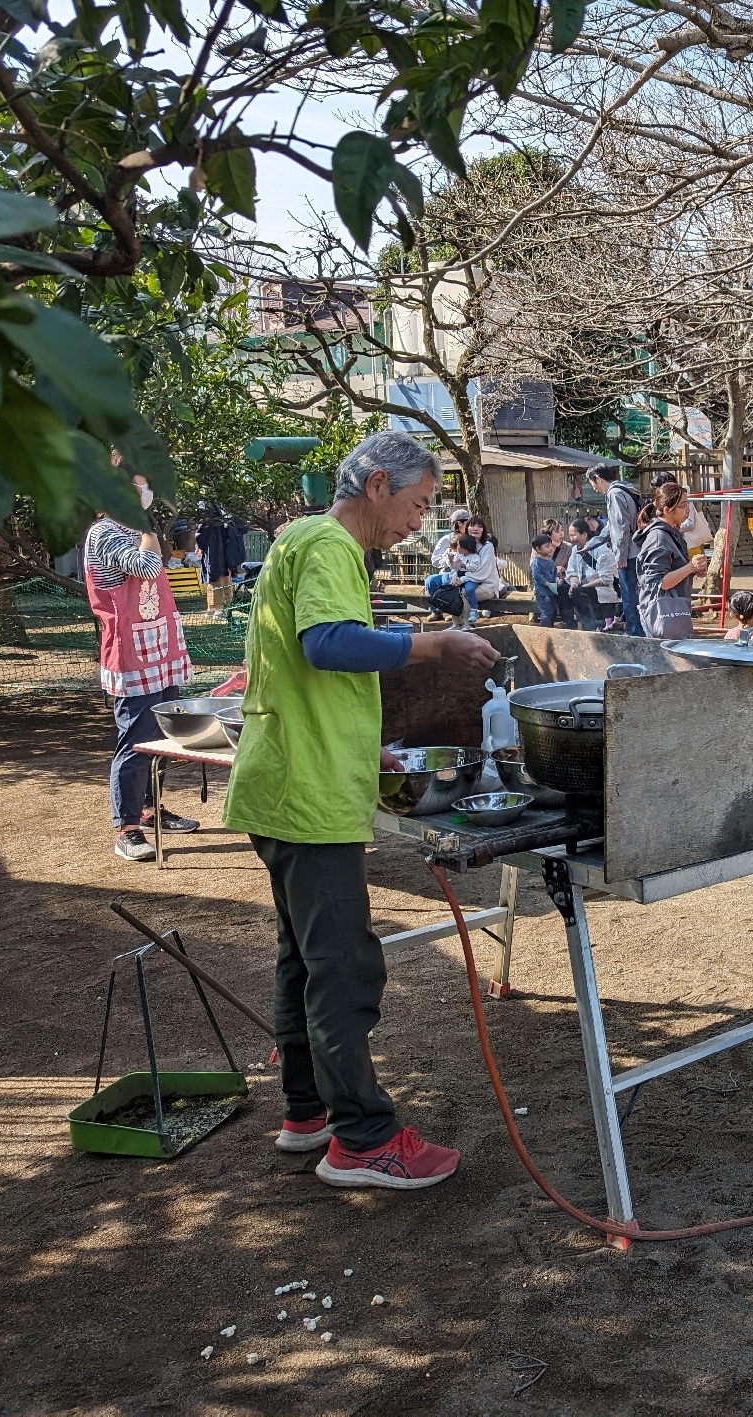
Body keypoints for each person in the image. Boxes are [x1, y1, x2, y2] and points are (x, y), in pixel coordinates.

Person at [225, 431, 500, 1188]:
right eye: (416, 505)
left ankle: (306, 1110)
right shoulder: (328, 544)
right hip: (304, 796)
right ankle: (364, 1139)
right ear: (378, 484)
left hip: (293, 779)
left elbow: (311, 675)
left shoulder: (305, 541)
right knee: (343, 964)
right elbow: (328, 644)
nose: (419, 523)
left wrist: (363, 746)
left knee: (303, 957)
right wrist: (432, 643)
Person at [83, 470, 201, 862]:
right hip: (132, 654)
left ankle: (151, 810)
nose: (145, 490)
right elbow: (149, 566)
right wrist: (147, 529)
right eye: (137, 485)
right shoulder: (105, 533)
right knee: (135, 740)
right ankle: (127, 827)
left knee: (164, 737)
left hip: (159, 650)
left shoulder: (128, 528)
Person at [633, 481, 708, 638]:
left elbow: (674, 569)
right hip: (661, 612)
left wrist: (693, 570)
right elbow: (661, 583)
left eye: (688, 504)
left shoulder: (671, 533)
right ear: (667, 510)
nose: (688, 510)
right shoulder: (658, 538)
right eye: (682, 506)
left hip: (673, 609)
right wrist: (690, 568)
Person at [589, 463, 647, 636]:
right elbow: (612, 526)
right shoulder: (627, 489)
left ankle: (634, 632)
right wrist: (592, 544)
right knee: (636, 594)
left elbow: (620, 527)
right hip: (638, 550)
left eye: (593, 485)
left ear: (598, 478)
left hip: (629, 554)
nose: (595, 489)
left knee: (629, 596)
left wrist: (621, 556)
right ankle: (638, 629)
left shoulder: (614, 494)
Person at [424, 509, 470, 605]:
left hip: (465, 573)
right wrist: (448, 561)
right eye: (468, 522)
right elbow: (435, 560)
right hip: (447, 572)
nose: (471, 525)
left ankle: (453, 610)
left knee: (450, 580)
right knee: (430, 581)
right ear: (459, 523)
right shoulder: (446, 540)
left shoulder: (471, 539)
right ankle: (436, 611)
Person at [528, 532, 564, 628]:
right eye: (547, 546)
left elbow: (554, 571)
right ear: (538, 549)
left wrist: (557, 578)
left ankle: (550, 629)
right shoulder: (536, 562)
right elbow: (537, 575)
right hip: (543, 593)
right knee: (546, 612)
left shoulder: (550, 561)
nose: (551, 548)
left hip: (552, 591)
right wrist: (547, 583)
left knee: (553, 612)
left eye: (551, 546)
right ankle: (544, 630)